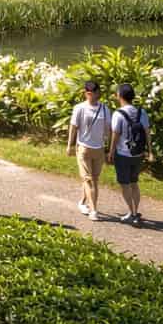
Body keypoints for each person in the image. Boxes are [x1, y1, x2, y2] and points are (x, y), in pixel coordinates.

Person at [66, 80, 110, 221]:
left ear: (87, 93)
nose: (93, 95)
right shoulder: (99, 109)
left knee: (91, 180)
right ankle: (89, 206)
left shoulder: (99, 109)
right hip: (86, 148)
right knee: (89, 180)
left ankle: (91, 208)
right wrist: (70, 145)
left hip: (96, 149)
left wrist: (69, 145)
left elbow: (108, 130)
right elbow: (74, 127)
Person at [111, 83, 152, 225]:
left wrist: (111, 152)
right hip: (138, 154)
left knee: (125, 184)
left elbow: (115, 135)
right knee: (134, 183)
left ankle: (132, 213)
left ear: (119, 96)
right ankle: (135, 211)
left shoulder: (118, 114)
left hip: (123, 154)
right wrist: (150, 151)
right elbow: (147, 133)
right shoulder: (142, 112)